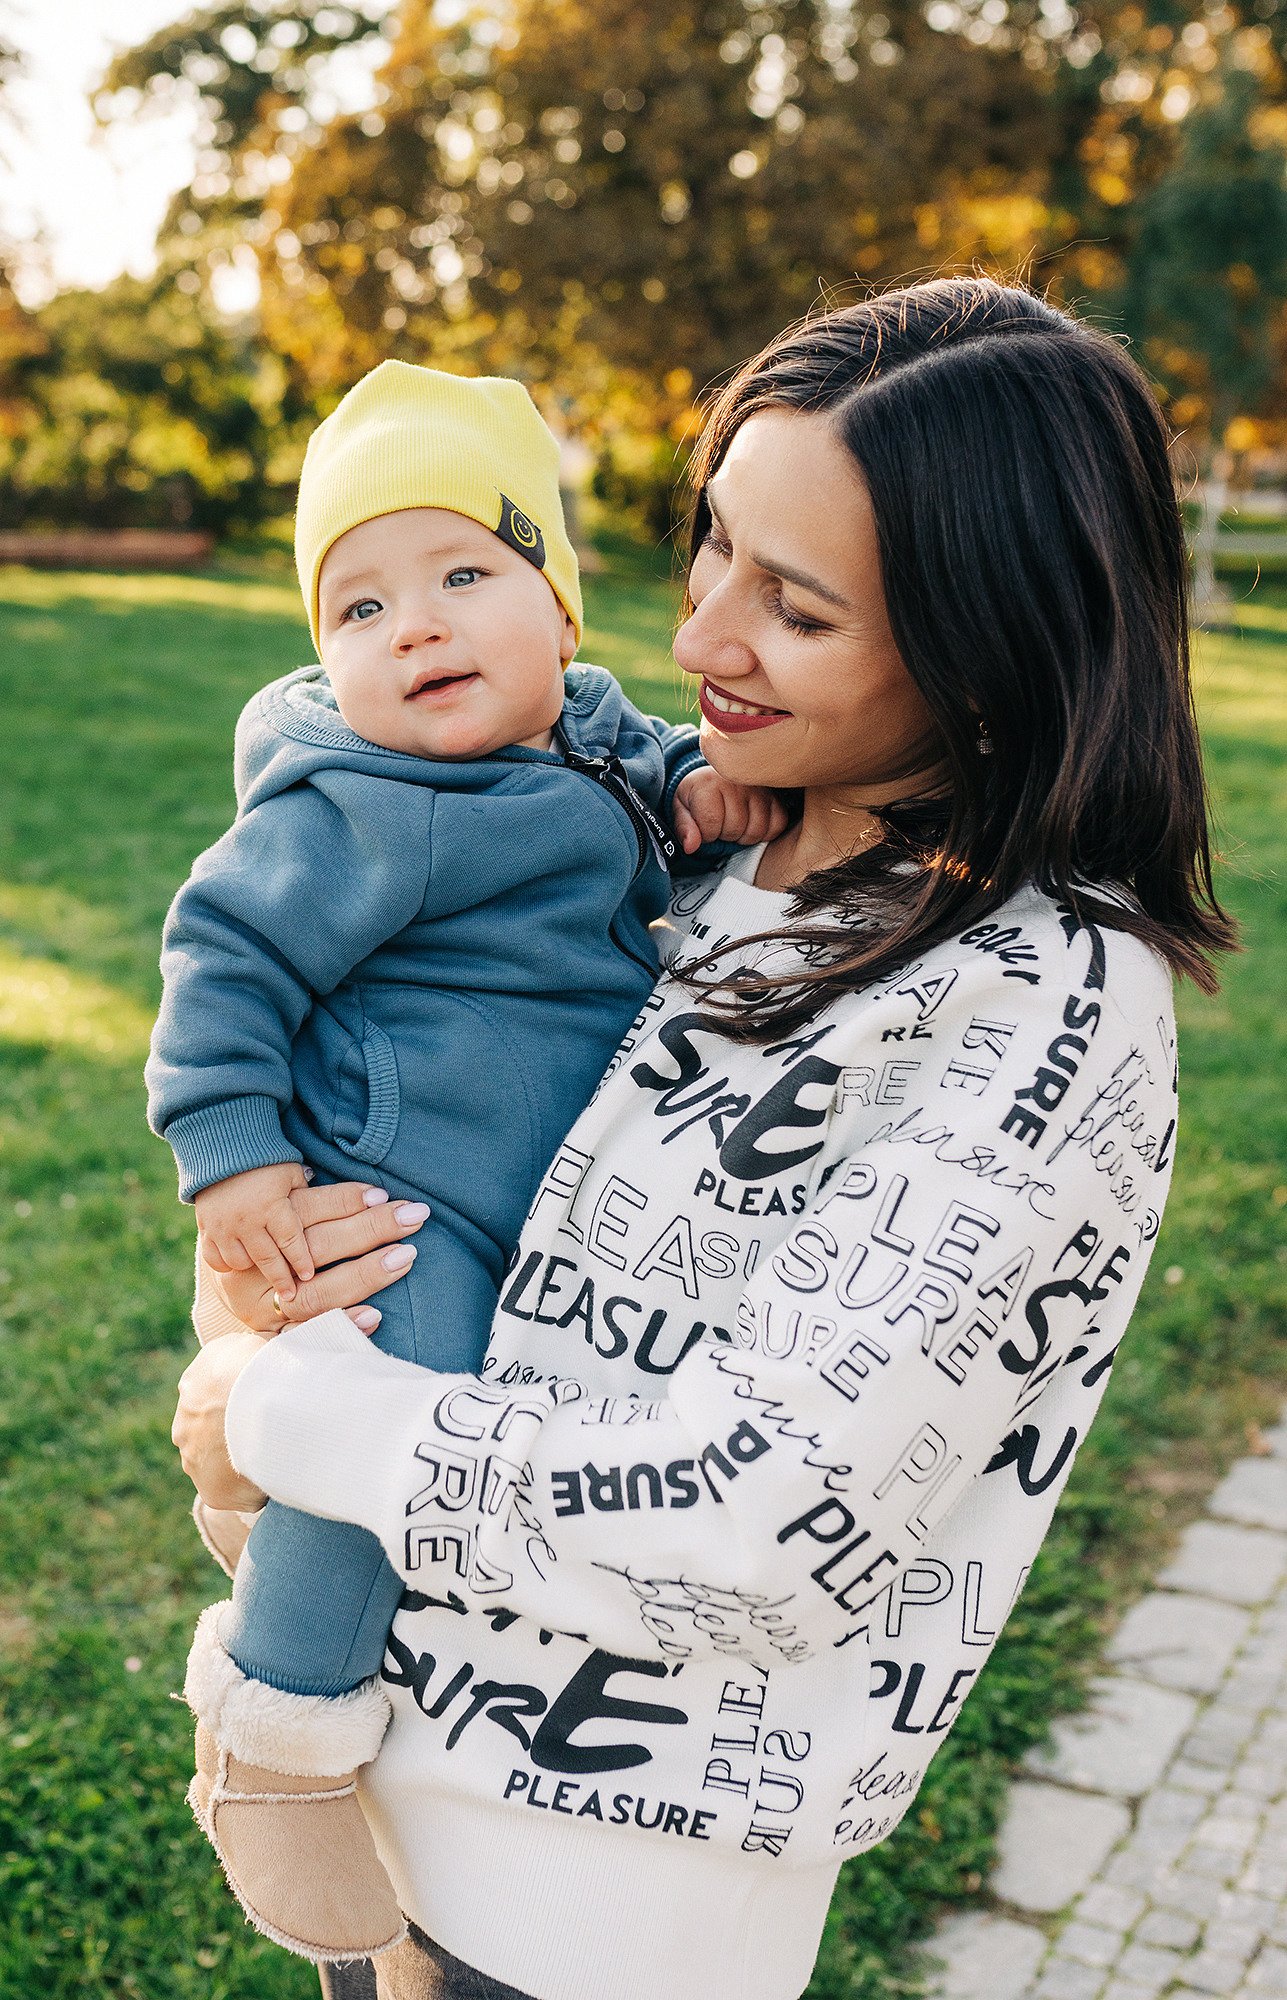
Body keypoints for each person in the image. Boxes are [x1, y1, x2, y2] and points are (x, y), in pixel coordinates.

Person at [173, 277, 1235, 2000]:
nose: (698, 643)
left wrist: (287, 1408)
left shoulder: (1044, 996)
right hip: (390, 1796)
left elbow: (760, 1521)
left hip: (603, 1904)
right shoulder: (693, 836)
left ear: (992, 647)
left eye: (795, 609)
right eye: (710, 551)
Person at [146, 360, 778, 1962]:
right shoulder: (361, 802)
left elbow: (657, 800)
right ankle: (275, 1732)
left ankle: (280, 1521)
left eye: (462, 575)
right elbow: (219, 959)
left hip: (551, 1203)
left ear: (560, 612)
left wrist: (702, 799)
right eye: (354, 607)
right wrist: (238, 1170)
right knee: (383, 1408)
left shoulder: (597, 735)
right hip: (402, 1201)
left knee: (460, 1456)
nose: (413, 627)